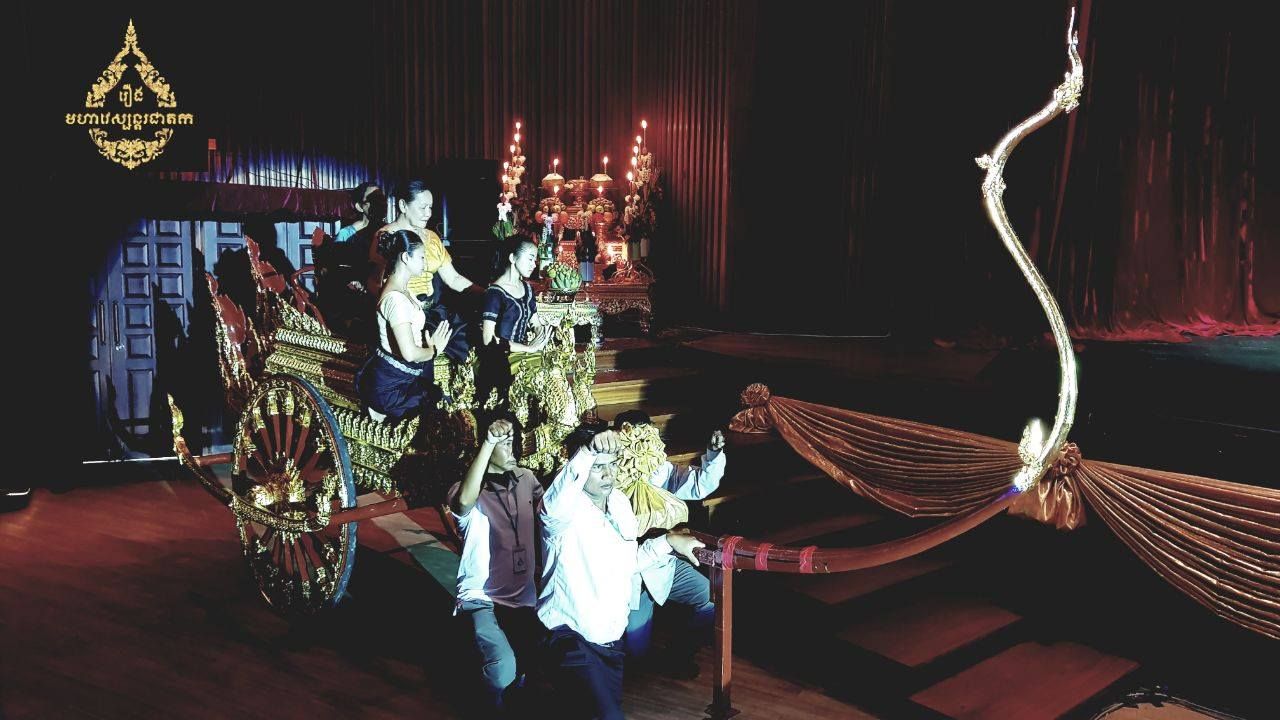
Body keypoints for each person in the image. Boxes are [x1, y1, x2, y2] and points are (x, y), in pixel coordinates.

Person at [537, 424, 706, 720]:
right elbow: (555, 502)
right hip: (570, 637)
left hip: (610, 639)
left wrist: (668, 542)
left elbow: (627, 562)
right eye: (597, 467)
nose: (608, 474)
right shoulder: (561, 511)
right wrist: (588, 451)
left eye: (612, 464)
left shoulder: (618, 502)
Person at [613, 411, 726, 678]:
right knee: (635, 653)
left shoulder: (659, 470)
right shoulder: (608, 477)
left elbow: (698, 485)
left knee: (712, 597)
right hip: (628, 575)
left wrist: (713, 454)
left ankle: (680, 653)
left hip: (662, 565)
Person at [449, 416, 544, 716]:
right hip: (482, 599)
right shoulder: (465, 490)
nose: (514, 448)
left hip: (524, 598)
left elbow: (551, 514)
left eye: (513, 441)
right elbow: (463, 503)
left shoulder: (527, 480)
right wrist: (490, 442)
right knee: (503, 669)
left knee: (533, 669)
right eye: (506, 443)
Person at [354, 229, 454, 422]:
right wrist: (434, 350)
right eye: (422, 257)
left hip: (403, 377)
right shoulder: (396, 299)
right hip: (391, 388)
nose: (425, 263)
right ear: (406, 258)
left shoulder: (402, 290)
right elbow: (409, 354)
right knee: (440, 409)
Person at [369, 180, 475, 361]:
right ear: (403, 205)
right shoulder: (386, 237)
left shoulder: (432, 237)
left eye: (430, 207)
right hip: (404, 314)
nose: (428, 213)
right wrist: (402, 308)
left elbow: (454, 279)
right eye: (422, 207)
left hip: (434, 311)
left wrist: (488, 293)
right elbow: (373, 283)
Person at [476, 236, 552, 407]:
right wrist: (529, 348)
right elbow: (488, 339)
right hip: (499, 358)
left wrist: (541, 334)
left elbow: (535, 323)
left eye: (535, 260)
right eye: (530, 259)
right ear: (512, 258)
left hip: (524, 352)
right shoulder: (495, 293)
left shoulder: (527, 288)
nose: (534, 264)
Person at [317, 182, 383, 334]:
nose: (380, 204)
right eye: (373, 200)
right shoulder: (346, 234)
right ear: (360, 207)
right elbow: (334, 269)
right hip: (354, 294)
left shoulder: (389, 231)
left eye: (382, 198)